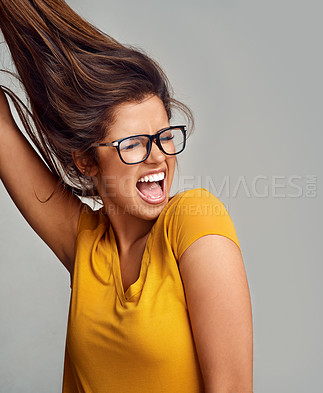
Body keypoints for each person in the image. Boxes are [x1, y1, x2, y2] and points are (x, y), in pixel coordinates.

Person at [0, 0, 253, 392]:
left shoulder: (194, 220)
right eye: (134, 143)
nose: (158, 157)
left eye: (165, 137)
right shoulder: (86, 246)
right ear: (87, 161)